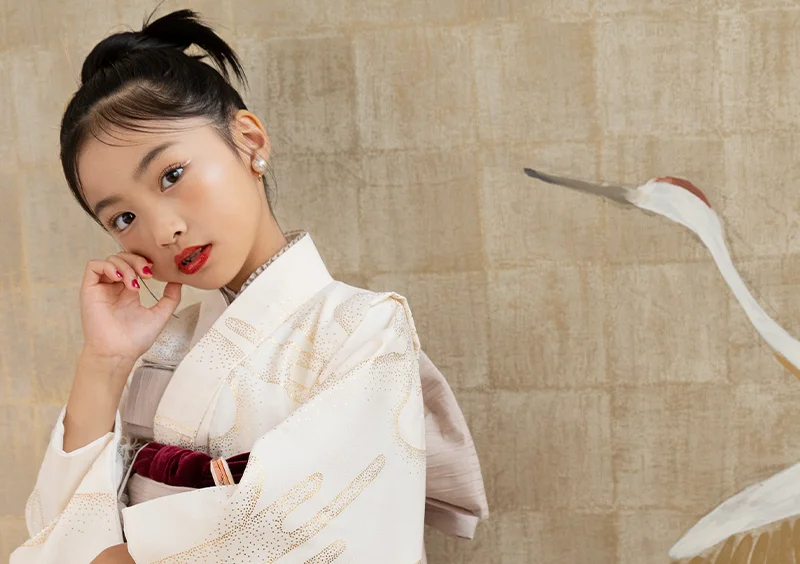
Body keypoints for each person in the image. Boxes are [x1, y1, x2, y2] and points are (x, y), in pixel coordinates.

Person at [10, 8, 487, 564]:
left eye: (171, 175)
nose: (162, 231)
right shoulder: (166, 346)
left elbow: (317, 530)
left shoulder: (365, 329)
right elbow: (52, 524)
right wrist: (106, 361)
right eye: (123, 218)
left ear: (248, 139)